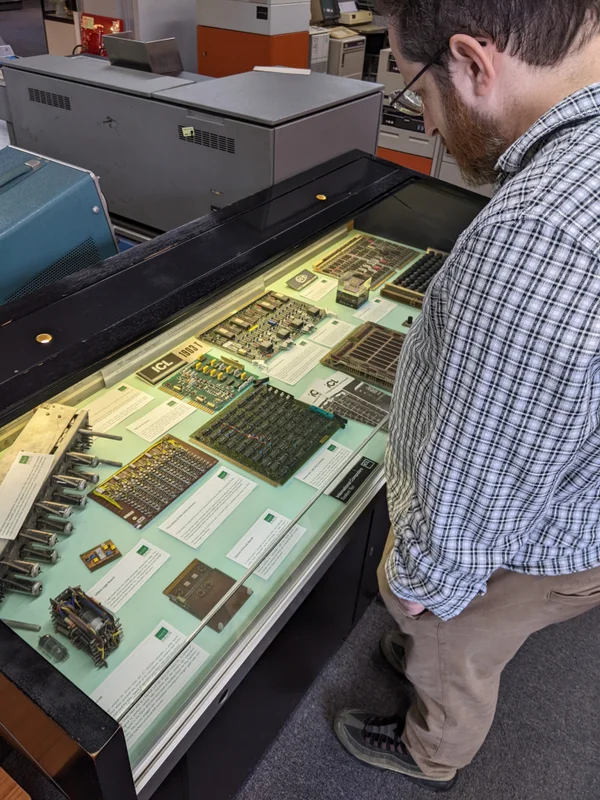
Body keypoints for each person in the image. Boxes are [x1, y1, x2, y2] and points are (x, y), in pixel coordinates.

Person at [334, 0, 600, 791]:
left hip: (531, 553)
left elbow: (482, 480)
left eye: (419, 91)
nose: (428, 120)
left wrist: (420, 588)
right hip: (580, 514)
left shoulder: (542, 232)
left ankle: (433, 751)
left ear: (475, 63)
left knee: (455, 646)